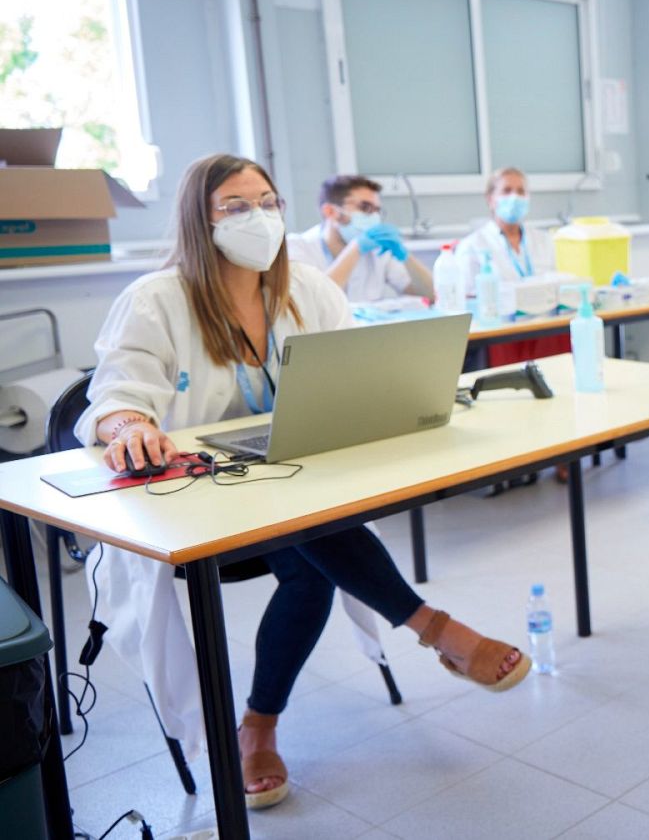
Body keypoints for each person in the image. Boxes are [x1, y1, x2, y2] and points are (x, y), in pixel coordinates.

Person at [78, 153, 530, 811]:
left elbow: (350, 373)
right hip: (196, 512)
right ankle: (436, 630)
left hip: (295, 496)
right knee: (313, 534)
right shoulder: (155, 300)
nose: (257, 216)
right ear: (198, 220)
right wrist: (127, 426)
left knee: (310, 552)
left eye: (267, 201)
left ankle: (257, 726)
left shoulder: (308, 290)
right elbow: (116, 394)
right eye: (236, 204)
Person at [458, 166, 567, 367]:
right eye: (507, 191)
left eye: (521, 191)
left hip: (546, 330)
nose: (515, 197)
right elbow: (466, 301)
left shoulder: (544, 240)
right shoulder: (472, 246)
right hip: (501, 335)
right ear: (490, 199)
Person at [286, 174, 433, 303]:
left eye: (377, 210)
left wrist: (405, 256)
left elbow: (430, 296)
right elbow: (314, 303)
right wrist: (355, 249)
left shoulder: (377, 250)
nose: (374, 217)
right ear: (330, 211)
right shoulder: (297, 247)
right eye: (365, 208)